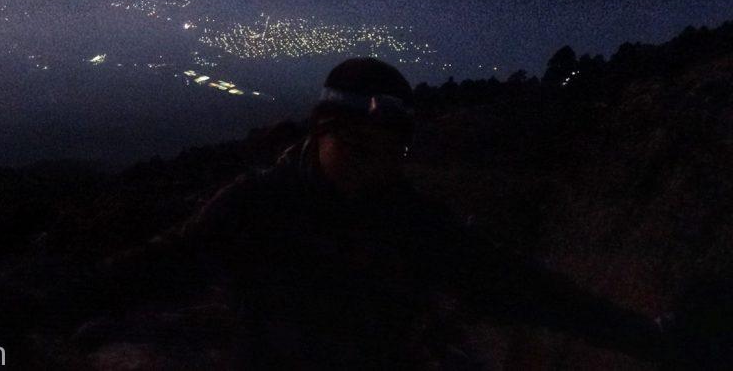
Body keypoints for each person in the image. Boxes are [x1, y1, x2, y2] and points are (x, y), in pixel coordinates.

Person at [99, 58, 668, 368]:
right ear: (321, 132)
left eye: (383, 150)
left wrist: (647, 338)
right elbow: (162, 264)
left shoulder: (416, 227)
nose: (364, 166)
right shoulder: (259, 204)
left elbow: (525, 288)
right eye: (352, 144)